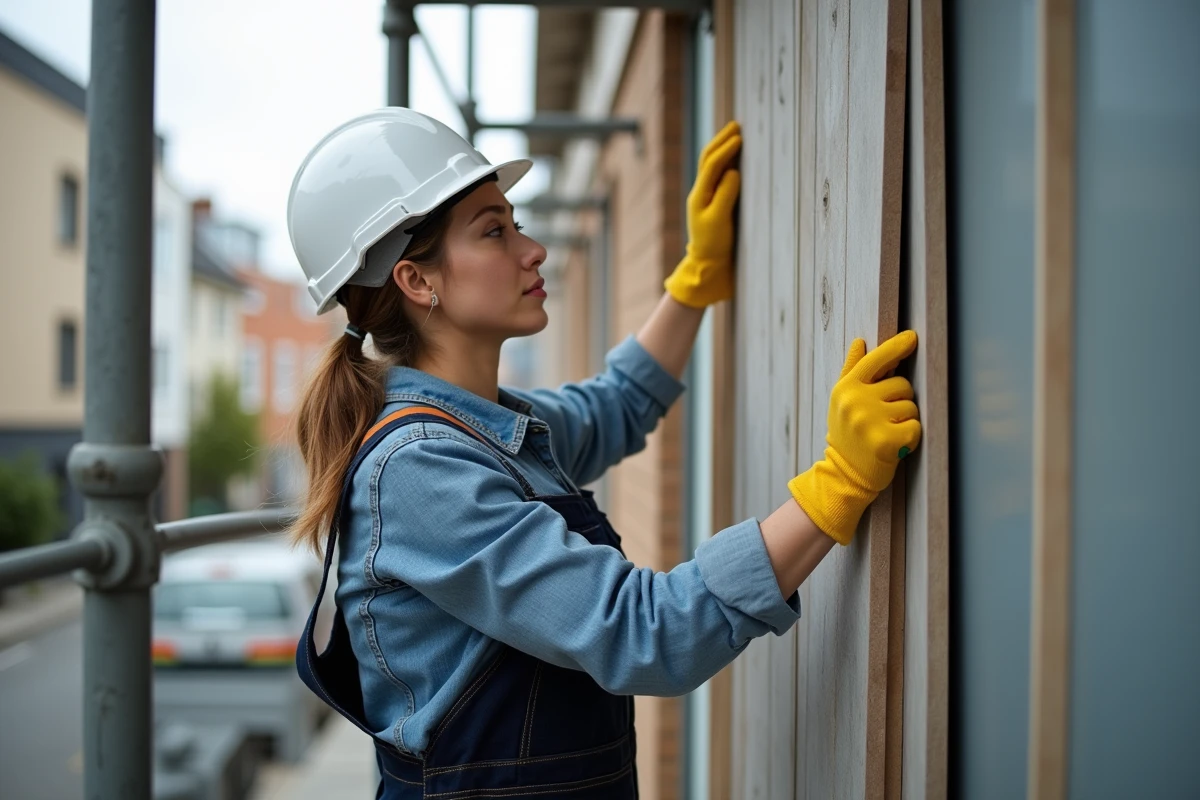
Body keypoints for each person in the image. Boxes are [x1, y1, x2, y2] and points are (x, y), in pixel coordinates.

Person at [287, 108, 921, 799]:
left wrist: (694, 280)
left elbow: (616, 403)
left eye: (516, 222)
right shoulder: (418, 470)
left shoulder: (486, 428)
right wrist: (838, 484)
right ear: (417, 281)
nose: (533, 250)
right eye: (494, 231)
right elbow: (643, 632)